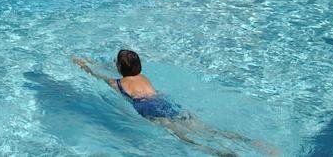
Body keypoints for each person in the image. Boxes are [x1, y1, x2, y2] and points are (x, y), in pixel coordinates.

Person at [72, 51, 270, 155]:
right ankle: (249, 142)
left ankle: (217, 152)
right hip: (163, 101)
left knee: (182, 136)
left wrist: (84, 65)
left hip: (148, 108)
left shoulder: (117, 83)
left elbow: (97, 75)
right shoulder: (143, 77)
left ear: (119, 68)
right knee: (205, 128)